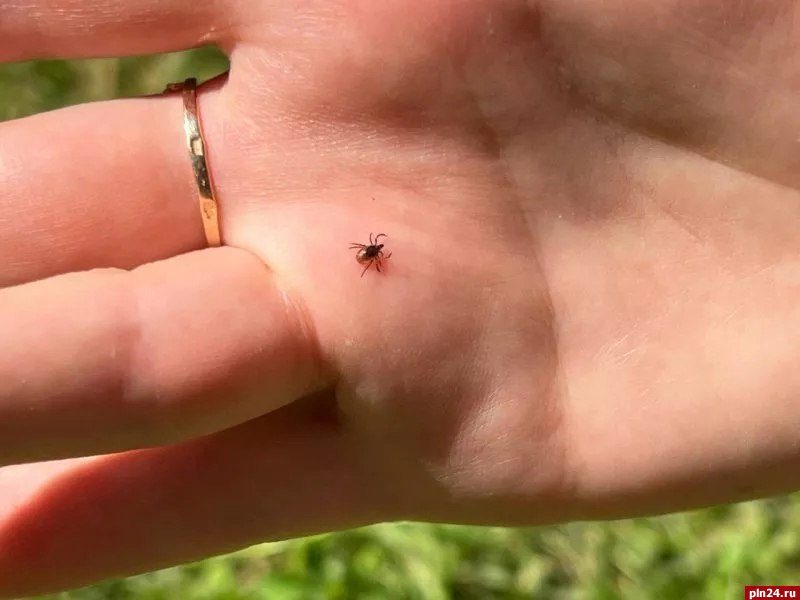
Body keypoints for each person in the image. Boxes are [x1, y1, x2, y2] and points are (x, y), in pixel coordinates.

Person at [1, 0, 798, 595]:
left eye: (373, 251)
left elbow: (370, 251)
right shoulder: (375, 252)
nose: (374, 254)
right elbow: (371, 250)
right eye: (372, 251)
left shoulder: (374, 254)